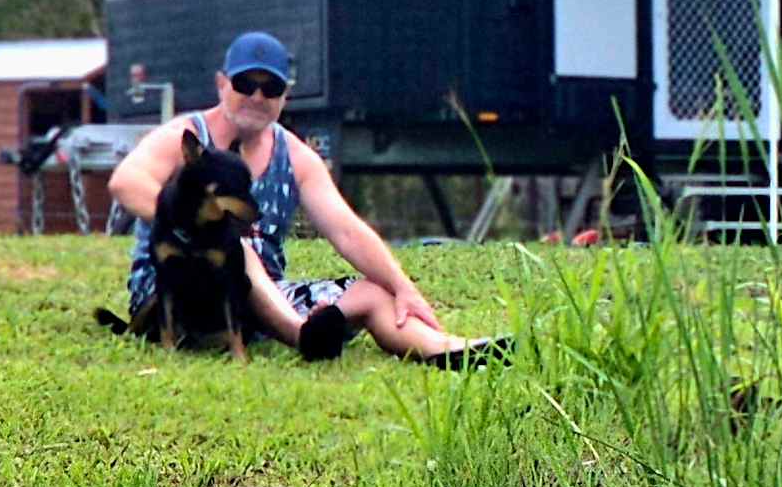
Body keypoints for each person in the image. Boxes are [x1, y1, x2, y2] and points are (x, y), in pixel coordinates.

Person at [106, 32, 510, 369]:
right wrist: (198, 222)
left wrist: (404, 287)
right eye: (246, 84)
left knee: (372, 293)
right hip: (178, 289)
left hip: (260, 301)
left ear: (286, 96)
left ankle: (448, 349)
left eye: (272, 87)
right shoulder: (187, 137)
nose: (257, 96)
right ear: (221, 84)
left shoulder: (295, 155)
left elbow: (347, 231)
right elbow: (126, 182)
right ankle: (303, 337)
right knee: (233, 243)